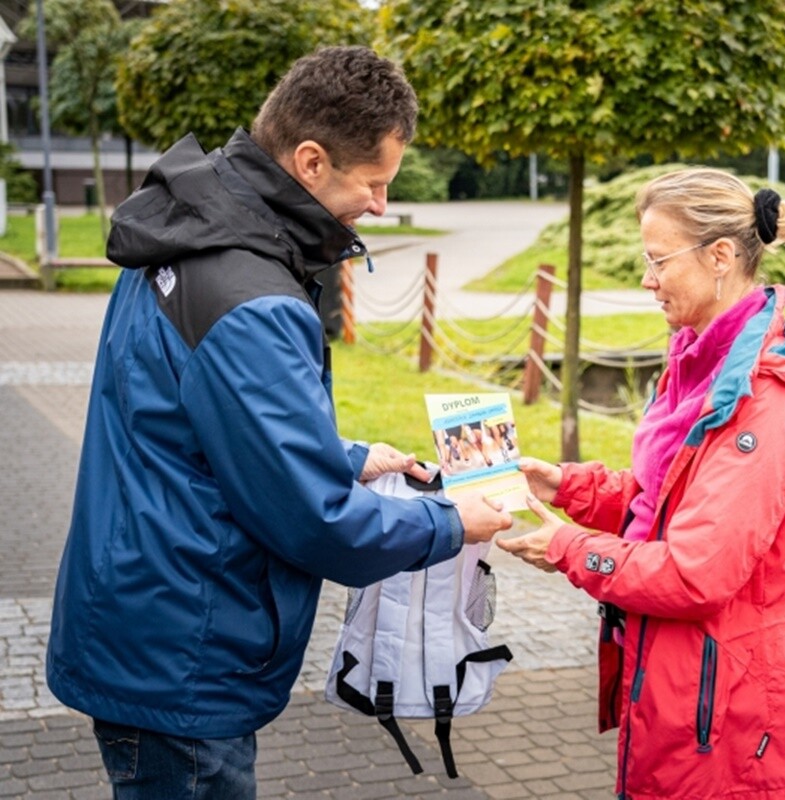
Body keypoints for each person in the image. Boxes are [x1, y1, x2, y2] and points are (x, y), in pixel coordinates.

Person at [45, 46, 513, 798]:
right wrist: (453, 523)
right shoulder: (251, 296)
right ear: (310, 161)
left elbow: (195, 421)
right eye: (376, 183)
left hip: (146, 611)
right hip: (187, 653)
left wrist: (350, 455)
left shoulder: (188, 231)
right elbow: (317, 524)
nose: (383, 205)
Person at [497, 167, 785, 800]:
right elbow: (667, 500)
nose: (646, 278)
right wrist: (569, 487)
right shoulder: (702, 362)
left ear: (719, 256)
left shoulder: (761, 399)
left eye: (658, 259)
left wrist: (568, 548)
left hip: (733, 720)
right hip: (688, 690)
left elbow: (695, 570)